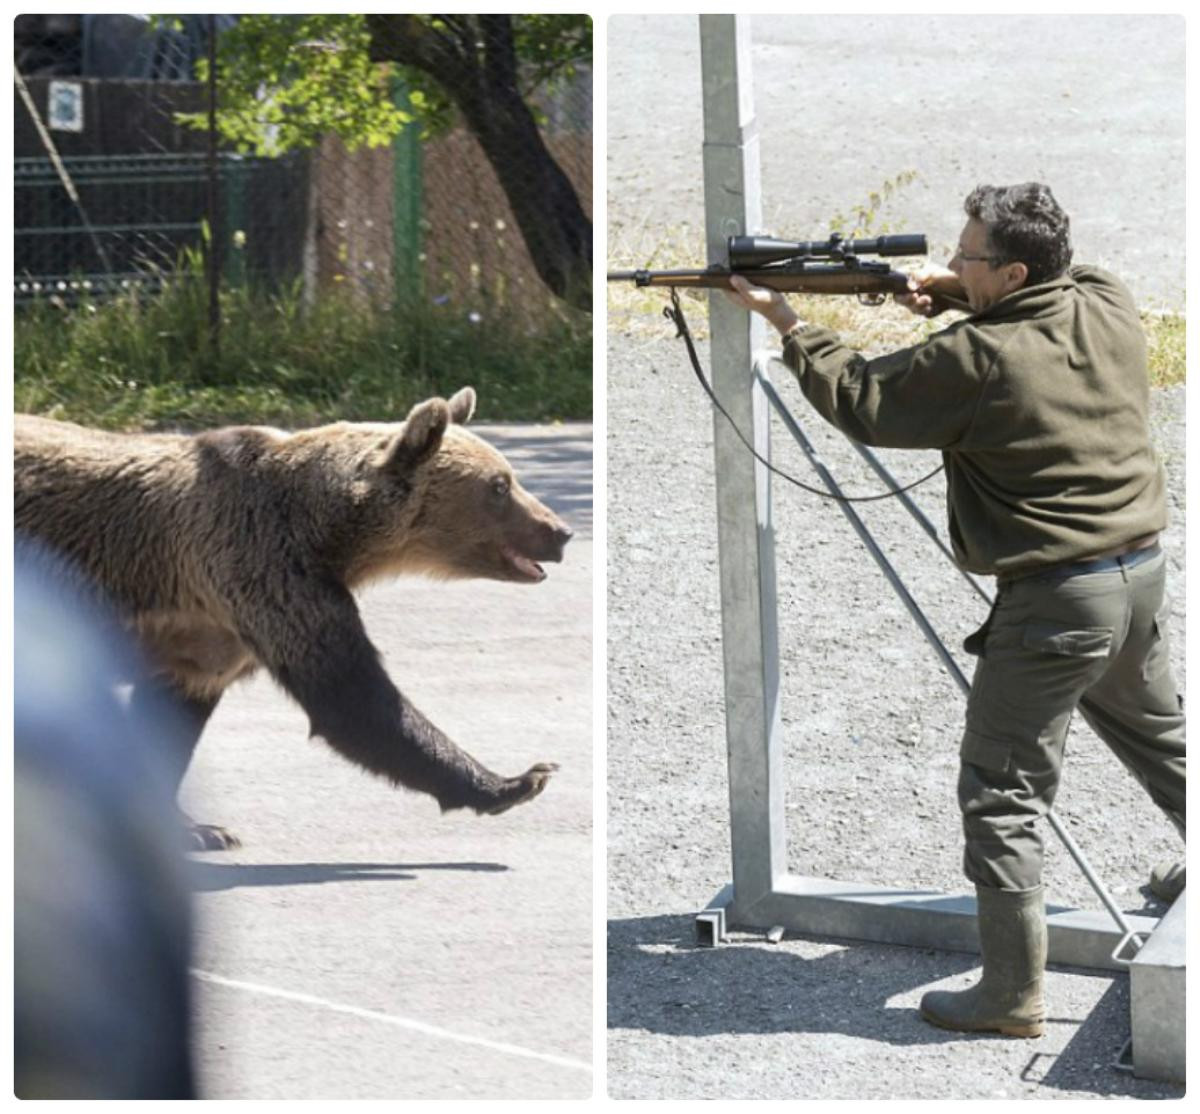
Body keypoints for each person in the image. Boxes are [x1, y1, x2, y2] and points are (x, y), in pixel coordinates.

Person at [725, 182, 1185, 1039]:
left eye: (970, 257)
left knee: (1001, 793)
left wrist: (789, 322)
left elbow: (864, 398)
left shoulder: (979, 359)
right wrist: (944, 289)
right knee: (1163, 741)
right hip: (1136, 574)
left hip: (1055, 603)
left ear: (1012, 270)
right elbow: (1030, 301)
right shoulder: (1106, 299)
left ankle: (1011, 993)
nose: (954, 261)